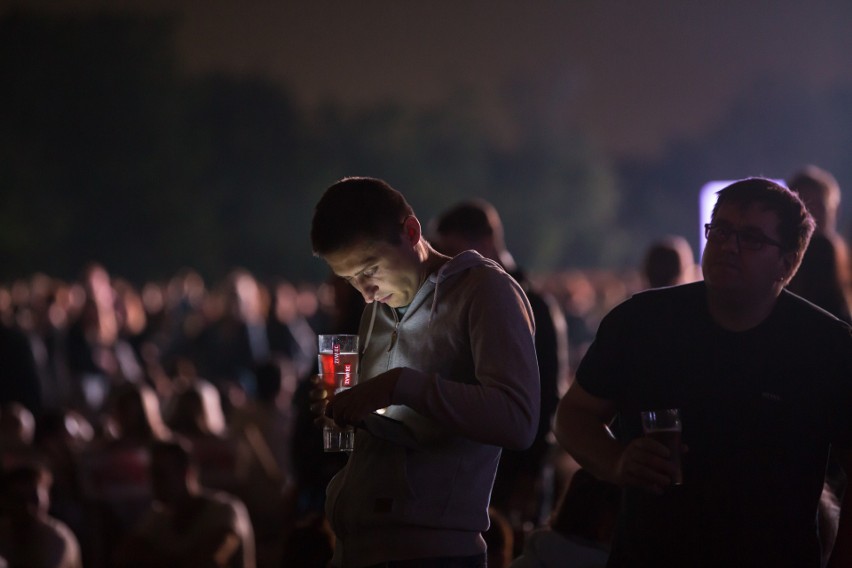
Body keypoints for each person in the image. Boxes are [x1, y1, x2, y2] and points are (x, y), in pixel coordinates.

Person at [554, 177, 852, 567]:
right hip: (651, 554)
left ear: (788, 262)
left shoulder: (826, 346)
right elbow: (573, 414)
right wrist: (615, 460)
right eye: (722, 231)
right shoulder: (642, 322)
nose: (729, 246)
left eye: (751, 238)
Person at [309, 177, 540, 567]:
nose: (365, 292)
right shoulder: (377, 309)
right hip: (357, 547)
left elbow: (518, 418)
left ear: (411, 231)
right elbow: (396, 430)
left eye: (370, 269)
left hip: (434, 550)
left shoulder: (484, 290)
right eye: (351, 280)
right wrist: (350, 411)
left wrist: (398, 386)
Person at [431, 199, 569, 534]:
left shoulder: (533, 304)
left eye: (454, 250)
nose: (448, 262)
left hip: (514, 470)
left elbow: (545, 396)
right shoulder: (462, 297)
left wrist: (531, 471)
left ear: (486, 242)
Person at [112, 438, 255, 568]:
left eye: (161, 475)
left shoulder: (226, 510)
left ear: (185, 473)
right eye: (151, 475)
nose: (154, 483)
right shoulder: (158, 518)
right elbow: (124, 557)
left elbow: (211, 558)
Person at [0, 462, 83, 568]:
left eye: (33, 498)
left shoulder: (56, 539)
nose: (27, 507)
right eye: (18, 499)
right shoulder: (4, 532)